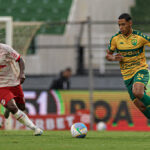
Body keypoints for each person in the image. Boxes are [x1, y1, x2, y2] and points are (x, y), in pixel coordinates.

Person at [106, 13, 150, 119]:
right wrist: (113, 58)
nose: (121, 27)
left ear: (130, 23)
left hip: (140, 70)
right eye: (119, 25)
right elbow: (108, 55)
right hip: (127, 76)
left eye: (123, 24)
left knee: (137, 91)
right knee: (142, 107)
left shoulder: (140, 37)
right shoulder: (115, 39)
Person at [0, 43, 43, 135]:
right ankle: (35, 128)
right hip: (1, 86)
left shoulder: (5, 49)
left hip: (14, 82)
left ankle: (7, 108)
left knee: (21, 107)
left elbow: (20, 60)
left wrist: (22, 73)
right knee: (13, 107)